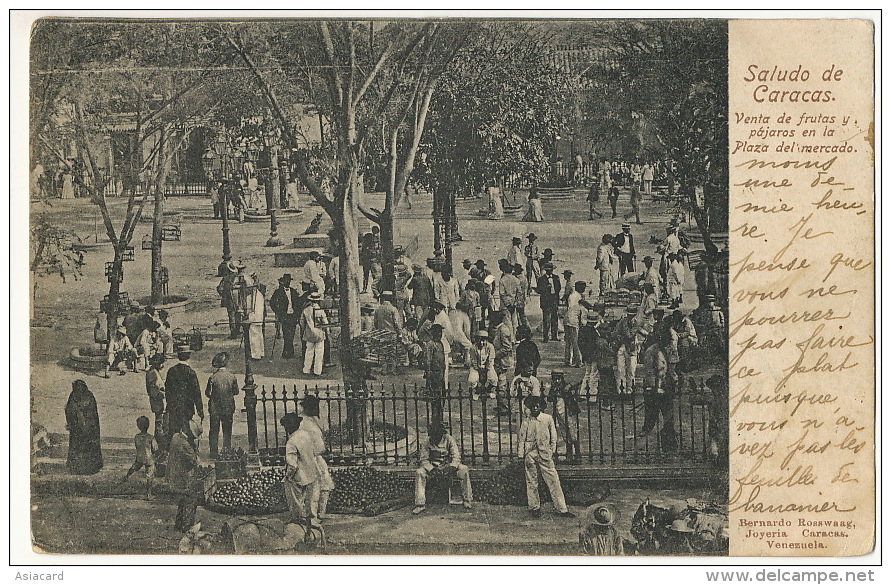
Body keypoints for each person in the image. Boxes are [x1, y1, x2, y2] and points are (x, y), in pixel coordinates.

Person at [518, 396, 574, 518]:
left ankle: (562, 508)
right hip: (530, 453)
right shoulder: (526, 421)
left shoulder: (547, 419)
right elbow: (521, 438)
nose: (535, 409)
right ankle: (534, 507)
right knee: (531, 480)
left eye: (537, 406)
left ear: (541, 407)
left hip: (545, 453)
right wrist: (521, 454)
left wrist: (552, 450)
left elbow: (554, 436)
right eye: (532, 407)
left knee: (553, 480)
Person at [412, 421, 473, 514]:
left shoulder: (449, 439)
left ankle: (467, 500)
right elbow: (424, 459)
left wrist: (452, 467)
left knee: (464, 470)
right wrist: (431, 469)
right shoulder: (426, 442)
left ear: (442, 433)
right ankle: (420, 504)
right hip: (433, 467)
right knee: (419, 473)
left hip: (448, 465)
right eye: (432, 435)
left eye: (437, 435)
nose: (435, 438)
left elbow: (456, 456)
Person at [281, 413, 323, 526]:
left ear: (287, 427)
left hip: (299, 475)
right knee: (311, 499)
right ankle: (312, 520)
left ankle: (298, 518)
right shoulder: (306, 435)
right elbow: (317, 450)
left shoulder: (291, 442)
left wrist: (288, 476)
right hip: (312, 471)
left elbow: (292, 464)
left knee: (295, 498)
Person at [297, 395, 335, 521]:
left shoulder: (300, 421)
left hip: (301, 458)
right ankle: (318, 515)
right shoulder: (312, 424)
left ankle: (304, 514)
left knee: (304, 488)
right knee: (322, 486)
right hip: (313, 458)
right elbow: (320, 447)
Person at [204, 352, 239, 459]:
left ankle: (213, 452)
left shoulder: (213, 377)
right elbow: (236, 391)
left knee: (214, 430)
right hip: (228, 407)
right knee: (227, 430)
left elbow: (208, 393)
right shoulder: (232, 376)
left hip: (215, 408)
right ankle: (226, 449)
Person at [164, 350, 204, 443]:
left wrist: (169, 403)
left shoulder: (171, 371)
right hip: (187, 407)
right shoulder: (191, 372)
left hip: (174, 406)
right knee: (187, 431)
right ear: (188, 356)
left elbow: (167, 389)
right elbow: (196, 393)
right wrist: (200, 410)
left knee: (174, 431)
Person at [168, 419, 200, 532]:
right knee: (191, 500)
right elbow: (194, 461)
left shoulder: (175, 437)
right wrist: (195, 449)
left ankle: (178, 524)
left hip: (174, 476)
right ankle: (187, 527)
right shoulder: (185, 445)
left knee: (182, 502)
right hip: (184, 478)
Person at [65, 380, 103, 475]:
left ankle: (78, 468)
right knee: (88, 447)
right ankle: (90, 468)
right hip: (89, 428)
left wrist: (71, 423)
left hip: (79, 428)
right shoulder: (89, 395)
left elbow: (69, 410)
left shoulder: (74, 396)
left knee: (79, 447)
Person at [123, 416, 158, 499]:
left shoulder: (137, 437)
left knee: (135, 466)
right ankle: (149, 494)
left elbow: (137, 447)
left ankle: (127, 476)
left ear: (138, 426)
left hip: (140, 457)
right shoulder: (151, 437)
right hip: (149, 458)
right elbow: (155, 449)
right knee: (149, 475)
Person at [270, 274, 303, 360]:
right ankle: (287, 352)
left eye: (289, 281)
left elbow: (298, 303)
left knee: (291, 334)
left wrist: (297, 314)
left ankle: (289, 352)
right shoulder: (278, 292)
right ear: (283, 282)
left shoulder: (293, 291)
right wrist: (278, 312)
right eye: (286, 281)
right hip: (284, 316)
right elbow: (272, 303)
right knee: (286, 334)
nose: (288, 282)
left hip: (293, 316)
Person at [491, 311, 514, 417]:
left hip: (503, 362)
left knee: (502, 384)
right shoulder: (498, 329)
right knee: (499, 384)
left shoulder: (503, 330)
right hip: (498, 362)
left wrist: (495, 355)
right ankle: (501, 405)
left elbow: (507, 348)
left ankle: (504, 407)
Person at [614, 306, 641, 395]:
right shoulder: (622, 321)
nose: (630, 317)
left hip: (632, 349)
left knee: (631, 370)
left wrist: (624, 327)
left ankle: (630, 390)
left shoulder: (636, 323)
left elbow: (630, 335)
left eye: (632, 315)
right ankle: (621, 390)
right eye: (629, 315)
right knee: (620, 369)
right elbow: (615, 333)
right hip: (622, 347)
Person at [423, 324, 448, 423]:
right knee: (434, 399)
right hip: (433, 375)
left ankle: (440, 418)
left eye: (440, 332)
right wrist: (429, 374)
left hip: (440, 374)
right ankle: (435, 420)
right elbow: (427, 360)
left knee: (441, 398)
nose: (439, 334)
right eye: (437, 332)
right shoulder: (430, 344)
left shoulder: (440, 344)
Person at [301, 292, 328, 376]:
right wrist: (326, 331)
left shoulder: (305, 310)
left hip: (309, 333)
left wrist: (304, 330)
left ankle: (306, 369)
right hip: (319, 334)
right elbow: (325, 323)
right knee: (319, 353)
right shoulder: (320, 311)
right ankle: (317, 371)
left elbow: (302, 322)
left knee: (308, 351)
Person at [468, 330, 498, 400]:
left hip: (487, 366)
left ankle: (490, 390)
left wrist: (487, 368)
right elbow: (473, 359)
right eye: (479, 340)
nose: (481, 342)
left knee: (493, 378)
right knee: (472, 380)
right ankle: (477, 391)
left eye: (483, 340)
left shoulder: (490, 347)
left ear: (486, 340)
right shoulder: (473, 347)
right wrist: (477, 368)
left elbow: (491, 359)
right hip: (476, 367)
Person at [564, 281, 588, 367]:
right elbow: (584, 304)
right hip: (573, 320)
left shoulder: (572, 295)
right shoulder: (577, 296)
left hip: (567, 318)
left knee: (568, 341)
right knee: (575, 341)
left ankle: (567, 360)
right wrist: (592, 307)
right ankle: (578, 361)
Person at [536, 262, 561, 342]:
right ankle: (546, 337)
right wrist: (546, 288)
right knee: (546, 320)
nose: (550, 272)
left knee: (554, 319)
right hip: (546, 301)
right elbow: (539, 290)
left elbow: (559, 288)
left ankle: (554, 336)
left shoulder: (556, 278)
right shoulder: (541, 279)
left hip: (554, 300)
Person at [145, 354, 166, 443]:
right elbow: (154, 391)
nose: (162, 366)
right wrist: (164, 394)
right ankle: (159, 442)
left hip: (157, 400)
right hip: (157, 401)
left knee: (159, 421)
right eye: (161, 363)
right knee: (159, 422)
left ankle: (158, 440)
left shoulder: (153, 371)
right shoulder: (152, 373)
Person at [497, 259, 520, 334]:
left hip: (505, 305)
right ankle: (517, 337)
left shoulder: (502, 280)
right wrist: (514, 303)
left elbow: (502, 294)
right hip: (514, 303)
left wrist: (508, 304)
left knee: (507, 322)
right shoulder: (516, 280)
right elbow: (519, 292)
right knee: (514, 321)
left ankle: (511, 339)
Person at [247, 272, 266, 359]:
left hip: (254, 318)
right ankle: (261, 352)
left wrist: (249, 316)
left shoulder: (253, 296)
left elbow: (251, 307)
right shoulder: (260, 294)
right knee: (259, 335)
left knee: (254, 337)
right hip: (259, 318)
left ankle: (255, 354)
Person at [512, 263, 529, 328]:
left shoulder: (518, 278)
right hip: (521, 298)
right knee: (521, 314)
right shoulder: (524, 278)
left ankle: (524, 327)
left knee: (520, 314)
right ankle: (525, 327)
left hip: (518, 298)